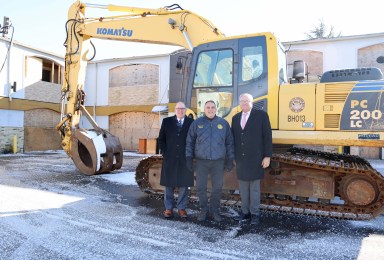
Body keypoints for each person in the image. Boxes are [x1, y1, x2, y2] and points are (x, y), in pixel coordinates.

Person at [186, 100, 234, 222]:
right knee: (201, 187)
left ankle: (215, 211)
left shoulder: (223, 123)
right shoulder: (197, 123)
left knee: (217, 188)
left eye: (213, 107)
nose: (210, 109)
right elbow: (189, 142)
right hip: (201, 161)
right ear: (204, 109)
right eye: (208, 107)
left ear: (216, 109)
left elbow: (229, 143)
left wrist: (230, 159)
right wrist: (188, 158)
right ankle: (203, 210)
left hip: (218, 162)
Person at [231, 93, 272, 225]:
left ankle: (255, 214)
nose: (243, 103)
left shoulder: (261, 116)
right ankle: (245, 213)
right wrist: (233, 156)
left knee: (254, 189)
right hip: (241, 159)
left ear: (252, 102)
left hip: (256, 159)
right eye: (241, 101)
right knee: (243, 189)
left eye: (246, 101)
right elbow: (233, 139)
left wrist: (267, 156)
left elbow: (267, 137)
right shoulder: (235, 118)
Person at [158, 101, 194, 219]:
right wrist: (165, 152)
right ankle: (168, 208)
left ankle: (181, 208)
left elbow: (194, 139)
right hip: (170, 158)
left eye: (183, 109)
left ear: (185, 110)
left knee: (184, 184)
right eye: (178, 109)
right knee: (169, 183)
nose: (180, 111)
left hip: (185, 158)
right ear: (175, 110)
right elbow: (161, 139)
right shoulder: (166, 121)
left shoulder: (190, 122)